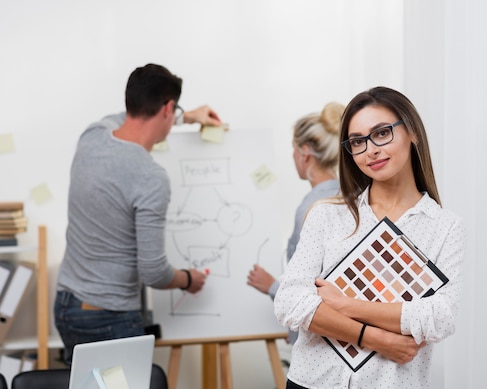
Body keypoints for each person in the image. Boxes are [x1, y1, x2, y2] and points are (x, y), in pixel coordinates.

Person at [274, 86, 465, 389]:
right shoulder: (327, 215)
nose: (370, 150)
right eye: (358, 141)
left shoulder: (444, 226)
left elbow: (439, 317)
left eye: (382, 133)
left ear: (413, 133)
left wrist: (346, 304)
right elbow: (290, 302)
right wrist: (379, 338)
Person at [54, 63, 222, 365]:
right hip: (109, 317)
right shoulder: (150, 177)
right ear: (167, 107)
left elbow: (128, 119)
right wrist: (188, 279)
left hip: (67, 304)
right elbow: (154, 272)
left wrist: (186, 116)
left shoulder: (93, 134)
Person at [247, 101, 344, 344]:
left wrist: (271, 286)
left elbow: (310, 292)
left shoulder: (312, 208)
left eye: (293, 149)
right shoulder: (351, 196)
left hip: (318, 339)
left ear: (305, 153)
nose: (292, 156)